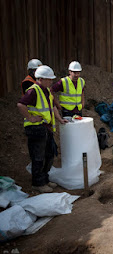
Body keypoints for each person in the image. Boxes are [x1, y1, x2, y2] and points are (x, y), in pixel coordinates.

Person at [17, 65, 69, 193]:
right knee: (38, 156)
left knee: (49, 155)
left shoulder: (46, 90)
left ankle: (44, 179)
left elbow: (53, 107)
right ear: (40, 79)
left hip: (46, 127)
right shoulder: (33, 90)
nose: (51, 81)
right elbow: (20, 105)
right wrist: (30, 118)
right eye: (49, 79)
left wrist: (59, 119)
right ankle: (38, 183)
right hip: (36, 129)